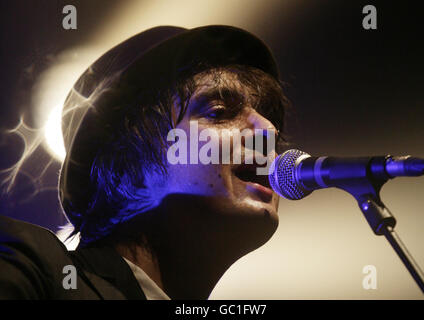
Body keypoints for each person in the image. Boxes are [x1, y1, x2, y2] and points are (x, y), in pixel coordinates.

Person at [0, 25, 289, 299]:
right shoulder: (33, 269)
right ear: (129, 167)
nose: (268, 130)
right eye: (219, 112)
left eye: (267, 118)